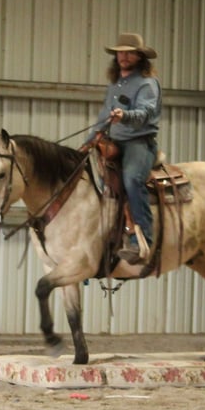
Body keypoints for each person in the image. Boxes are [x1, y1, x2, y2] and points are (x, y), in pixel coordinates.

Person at [86, 32, 162, 265]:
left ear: (140, 57)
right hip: (114, 141)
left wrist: (125, 116)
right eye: (120, 52)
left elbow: (146, 113)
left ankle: (144, 240)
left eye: (129, 52)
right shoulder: (116, 84)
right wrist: (91, 138)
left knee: (131, 180)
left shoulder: (147, 84)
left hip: (139, 142)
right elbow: (103, 115)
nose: (124, 56)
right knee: (98, 180)